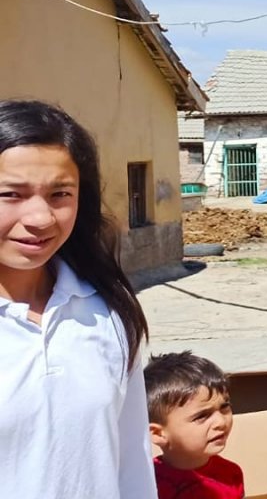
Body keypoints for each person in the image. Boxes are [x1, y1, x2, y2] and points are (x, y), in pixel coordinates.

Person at [0, 99, 157, 498]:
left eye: (59, 194)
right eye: (11, 194)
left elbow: (133, 463)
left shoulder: (109, 311)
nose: (40, 218)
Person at [145, 351, 245, 499]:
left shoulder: (231, 474)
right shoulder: (146, 483)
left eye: (224, 407)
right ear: (158, 434)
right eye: (202, 416)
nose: (220, 422)